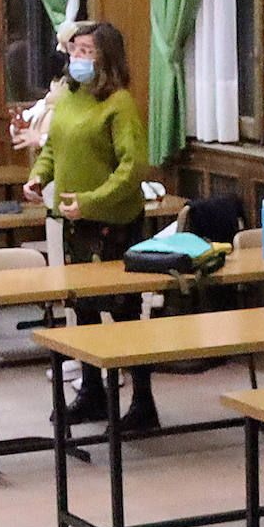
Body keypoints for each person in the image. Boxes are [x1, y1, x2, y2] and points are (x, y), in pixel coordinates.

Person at [22, 22, 155, 429]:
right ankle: (92, 390)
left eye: (87, 52)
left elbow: (132, 169)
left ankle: (142, 402)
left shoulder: (119, 104)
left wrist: (92, 201)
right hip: (74, 220)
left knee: (125, 314)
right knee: (82, 310)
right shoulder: (70, 98)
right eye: (74, 50)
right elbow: (55, 148)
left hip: (113, 223)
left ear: (106, 58)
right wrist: (39, 176)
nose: (77, 58)